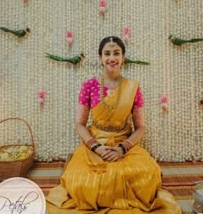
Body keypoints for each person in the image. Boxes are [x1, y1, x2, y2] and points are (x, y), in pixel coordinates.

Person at [46, 36, 181, 214]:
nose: (112, 58)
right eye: (107, 53)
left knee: (147, 175)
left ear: (123, 57)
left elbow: (140, 127)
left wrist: (122, 149)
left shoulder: (133, 87)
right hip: (94, 144)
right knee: (77, 180)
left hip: (124, 144)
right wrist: (96, 148)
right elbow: (79, 123)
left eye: (116, 53)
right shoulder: (89, 86)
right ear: (101, 58)